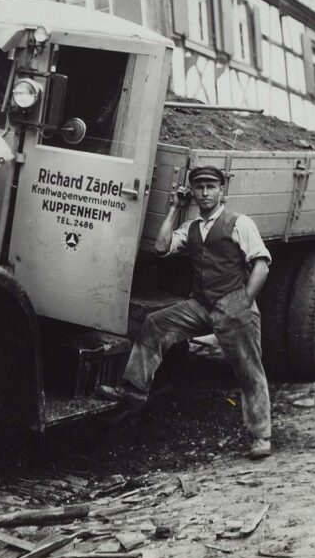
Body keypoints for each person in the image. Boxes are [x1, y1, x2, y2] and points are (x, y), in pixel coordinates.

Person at [97, 166, 274, 459]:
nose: (205, 192)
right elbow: (161, 247)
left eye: (211, 186)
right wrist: (174, 209)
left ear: (222, 191)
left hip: (235, 309)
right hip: (201, 305)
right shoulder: (191, 227)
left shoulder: (239, 222)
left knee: (249, 371)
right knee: (155, 323)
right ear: (192, 192)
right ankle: (135, 390)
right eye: (200, 187)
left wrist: (243, 301)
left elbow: (261, 265)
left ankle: (261, 436)